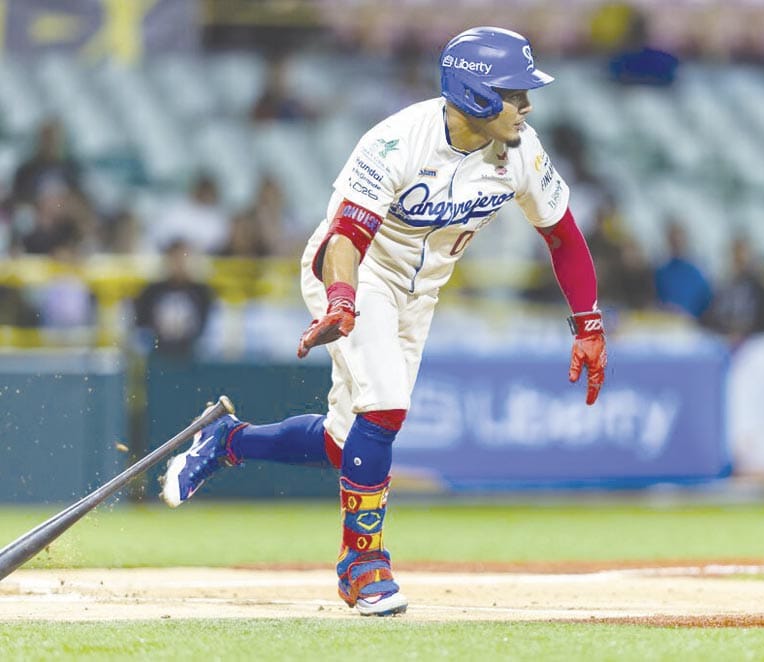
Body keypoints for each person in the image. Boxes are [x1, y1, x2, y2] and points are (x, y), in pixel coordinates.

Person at [159, 27, 608, 617]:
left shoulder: (522, 150)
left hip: (418, 293)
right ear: (474, 92)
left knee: (346, 442)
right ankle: (361, 564)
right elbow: (347, 235)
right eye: (513, 91)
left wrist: (588, 324)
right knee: (386, 408)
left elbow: (563, 236)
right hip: (352, 271)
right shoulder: (397, 140)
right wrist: (342, 299)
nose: (526, 104)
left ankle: (226, 442)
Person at [133, 239, 215, 356]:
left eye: (182, 259)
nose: (179, 264)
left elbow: (206, 328)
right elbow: (141, 326)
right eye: (175, 258)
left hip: (191, 352)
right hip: (158, 351)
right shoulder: (151, 291)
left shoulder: (202, 292)